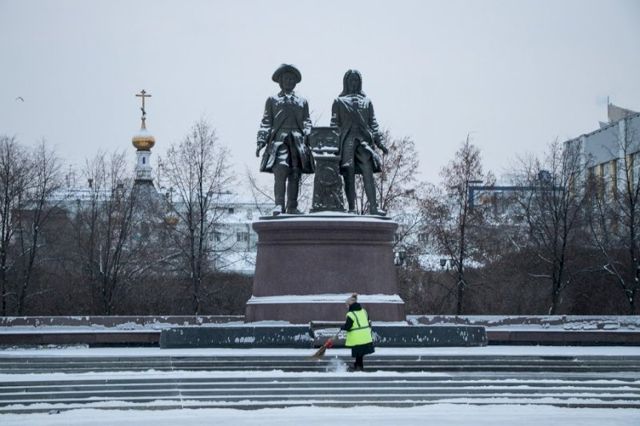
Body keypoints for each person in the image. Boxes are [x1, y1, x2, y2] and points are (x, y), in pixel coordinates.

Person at [256, 64, 314, 215]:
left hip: (297, 141)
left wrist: (309, 135)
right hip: (279, 141)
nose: (289, 81)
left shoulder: (302, 101)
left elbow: (307, 122)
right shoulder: (272, 100)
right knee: (280, 170)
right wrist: (261, 141)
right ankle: (279, 205)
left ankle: (292, 206)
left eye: (292, 79)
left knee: (295, 172)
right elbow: (266, 122)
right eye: (286, 79)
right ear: (280, 82)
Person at [330, 69, 388, 216]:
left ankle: (373, 207)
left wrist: (380, 143)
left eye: (356, 80)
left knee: (368, 172)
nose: (354, 83)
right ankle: (351, 209)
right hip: (346, 142)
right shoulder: (339, 102)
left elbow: (373, 124)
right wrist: (332, 147)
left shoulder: (367, 102)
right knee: (348, 175)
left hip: (364, 143)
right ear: (346, 82)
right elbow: (334, 125)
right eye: (351, 80)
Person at [341, 293, 375, 371]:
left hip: (357, 336)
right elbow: (367, 321)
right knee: (360, 354)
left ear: (350, 305)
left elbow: (348, 326)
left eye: (347, 305)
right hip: (365, 335)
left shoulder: (350, 314)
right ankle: (358, 365)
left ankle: (359, 367)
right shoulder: (364, 311)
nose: (347, 307)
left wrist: (343, 327)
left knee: (358, 353)